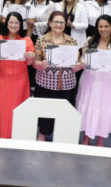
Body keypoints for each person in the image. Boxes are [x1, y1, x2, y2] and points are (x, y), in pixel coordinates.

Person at [75, 15, 111, 146]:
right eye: (100, 26)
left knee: (105, 108)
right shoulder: (89, 41)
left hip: (109, 83)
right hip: (90, 80)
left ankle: (101, 139)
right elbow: (82, 59)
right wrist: (81, 63)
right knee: (89, 107)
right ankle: (86, 138)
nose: (103, 29)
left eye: (106, 26)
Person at [0, 12, 35, 139]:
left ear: (20, 25)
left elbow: (29, 63)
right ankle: (2, 132)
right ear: (6, 23)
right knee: (2, 106)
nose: (13, 25)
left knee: (19, 106)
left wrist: (31, 57)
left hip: (21, 78)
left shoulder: (26, 40)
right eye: (11, 22)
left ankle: (18, 133)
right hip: (3, 76)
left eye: (16, 23)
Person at [33, 11, 79, 140]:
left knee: (64, 112)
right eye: (56, 22)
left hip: (66, 84)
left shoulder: (72, 41)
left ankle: (62, 137)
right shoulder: (41, 40)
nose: (59, 25)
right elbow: (35, 62)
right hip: (45, 83)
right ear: (50, 23)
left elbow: (76, 62)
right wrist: (40, 64)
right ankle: (42, 134)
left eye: (61, 22)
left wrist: (77, 66)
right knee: (45, 111)